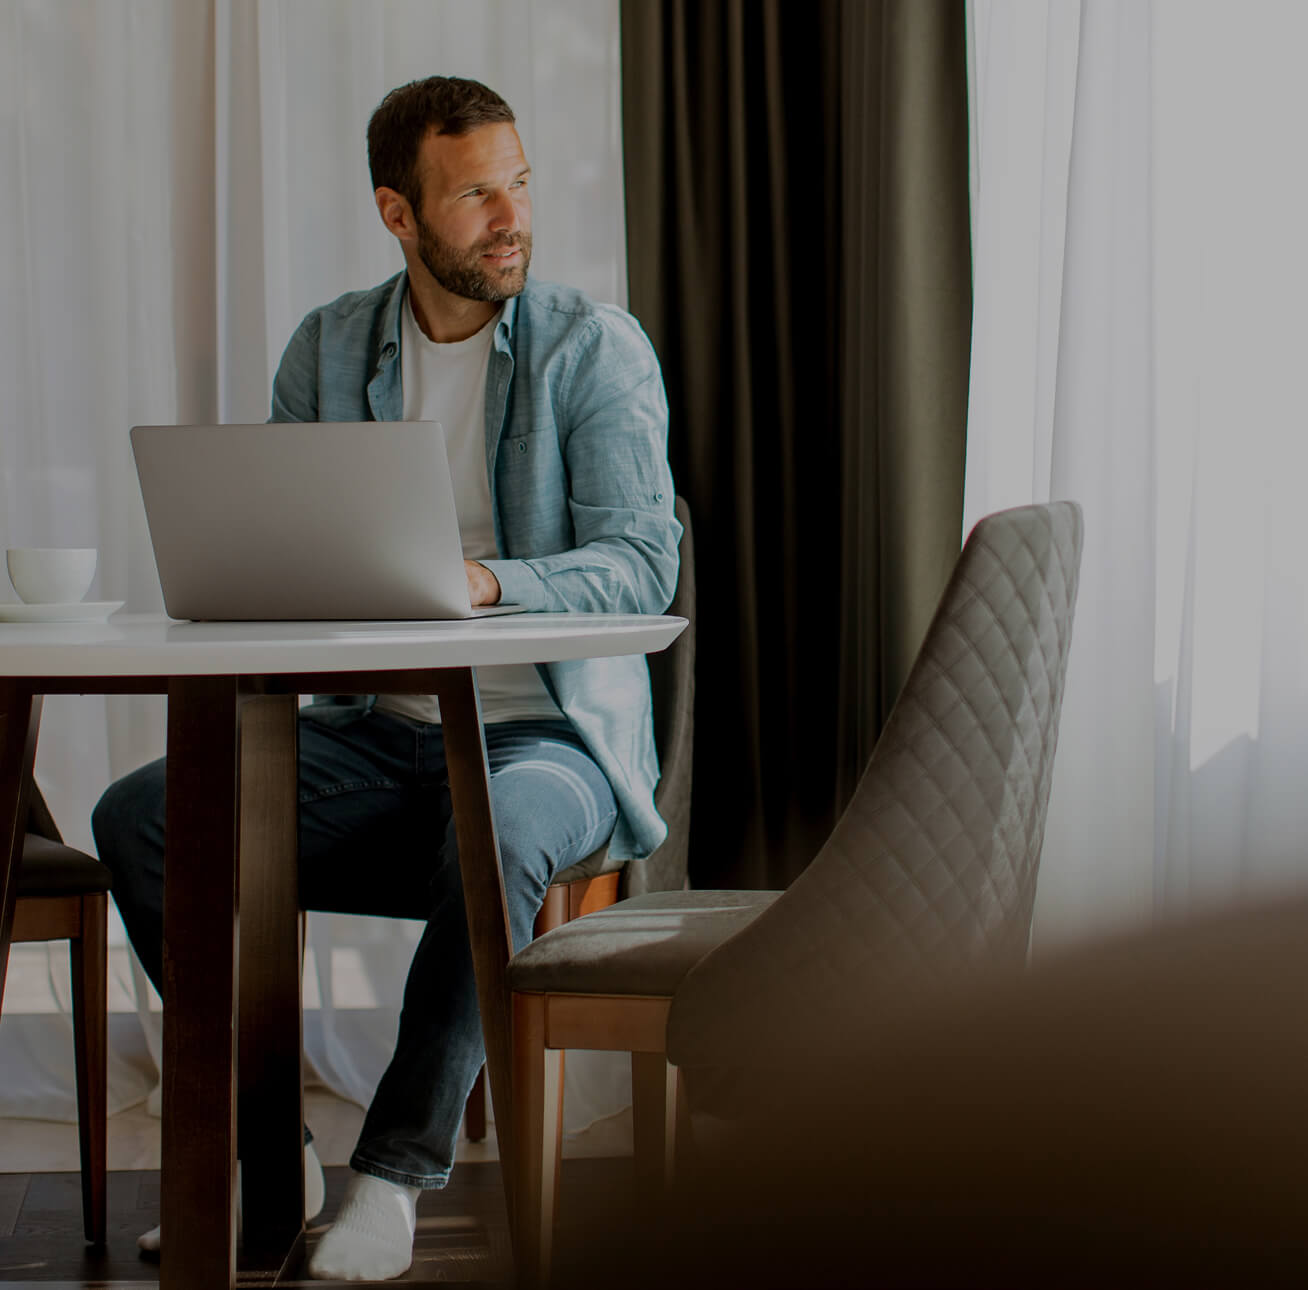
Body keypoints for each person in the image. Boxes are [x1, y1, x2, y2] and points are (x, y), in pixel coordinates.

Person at [92, 75, 680, 1282]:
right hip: (375, 735)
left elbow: (640, 566)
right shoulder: (328, 348)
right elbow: (288, 556)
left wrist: (487, 584)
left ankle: (396, 1175)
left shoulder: (593, 350)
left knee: (499, 824)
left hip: (544, 740)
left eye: (517, 182)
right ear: (398, 215)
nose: (511, 214)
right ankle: (269, 1152)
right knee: (145, 818)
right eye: (474, 194)